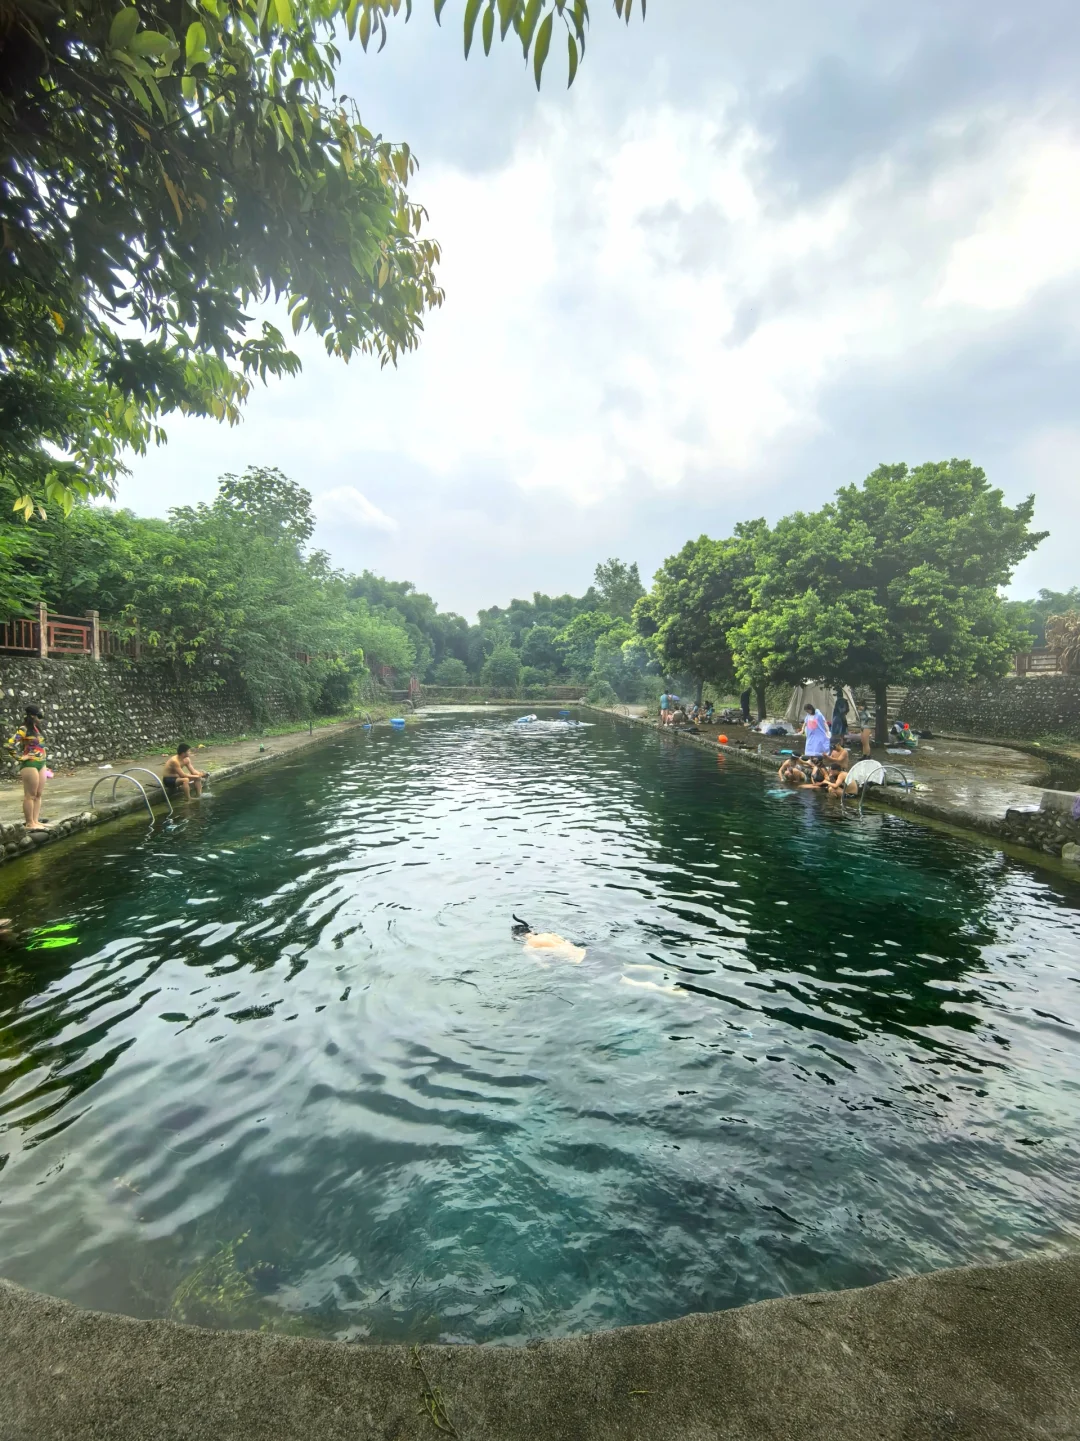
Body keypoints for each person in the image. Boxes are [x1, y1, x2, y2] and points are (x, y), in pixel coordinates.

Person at [8, 704, 49, 831]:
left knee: (38, 794)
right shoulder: (23, 729)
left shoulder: (36, 729)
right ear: (32, 716)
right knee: (30, 795)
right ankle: (30, 823)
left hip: (41, 763)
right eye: (39, 715)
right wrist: (20, 758)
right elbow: (9, 744)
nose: (41, 718)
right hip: (30, 764)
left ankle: (36, 821)